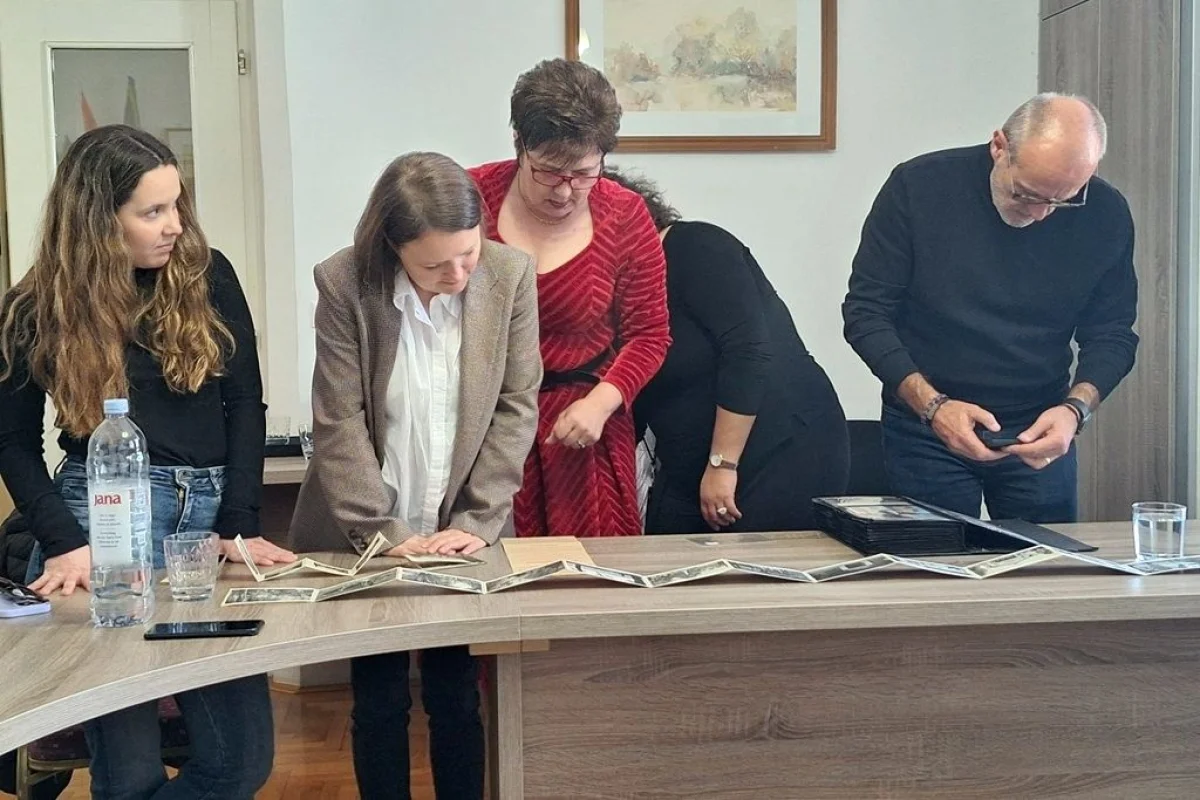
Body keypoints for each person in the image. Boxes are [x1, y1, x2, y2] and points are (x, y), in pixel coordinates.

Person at [0, 124, 289, 799]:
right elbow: (12, 441)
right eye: (152, 211)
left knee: (240, 761)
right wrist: (63, 543)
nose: (175, 224)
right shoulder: (35, 306)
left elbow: (244, 404)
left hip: (207, 522)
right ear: (100, 221)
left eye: (176, 203)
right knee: (128, 775)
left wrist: (240, 520)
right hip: (100, 529)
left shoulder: (210, 274)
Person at [289, 151, 541, 799]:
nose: (456, 275)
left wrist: (477, 521)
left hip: (462, 530)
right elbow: (338, 419)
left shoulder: (510, 275)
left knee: (456, 694)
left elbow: (516, 406)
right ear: (392, 246)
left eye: (467, 254)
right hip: (372, 531)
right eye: (433, 265)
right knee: (378, 697)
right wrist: (383, 533)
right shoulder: (346, 282)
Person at [842, 93, 1138, 522]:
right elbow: (866, 312)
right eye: (1027, 194)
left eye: (1062, 200)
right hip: (926, 424)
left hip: (1038, 425)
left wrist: (1075, 410)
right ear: (999, 146)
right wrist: (933, 407)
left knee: (1043, 561)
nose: (1040, 214)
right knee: (932, 558)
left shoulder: (1105, 212)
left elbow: (1113, 333)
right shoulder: (919, 187)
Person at [469, 57, 671, 538]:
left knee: (590, 571)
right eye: (548, 172)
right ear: (519, 144)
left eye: (583, 174)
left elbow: (649, 335)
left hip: (582, 428)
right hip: (483, 420)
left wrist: (601, 403)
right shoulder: (471, 198)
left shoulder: (624, 214)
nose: (565, 192)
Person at [606, 169, 850, 533]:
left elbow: (748, 352)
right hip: (687, 462)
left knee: (754, 568)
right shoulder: (615, 290)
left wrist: (722, 465)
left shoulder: (697, 246)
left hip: (777, 447)